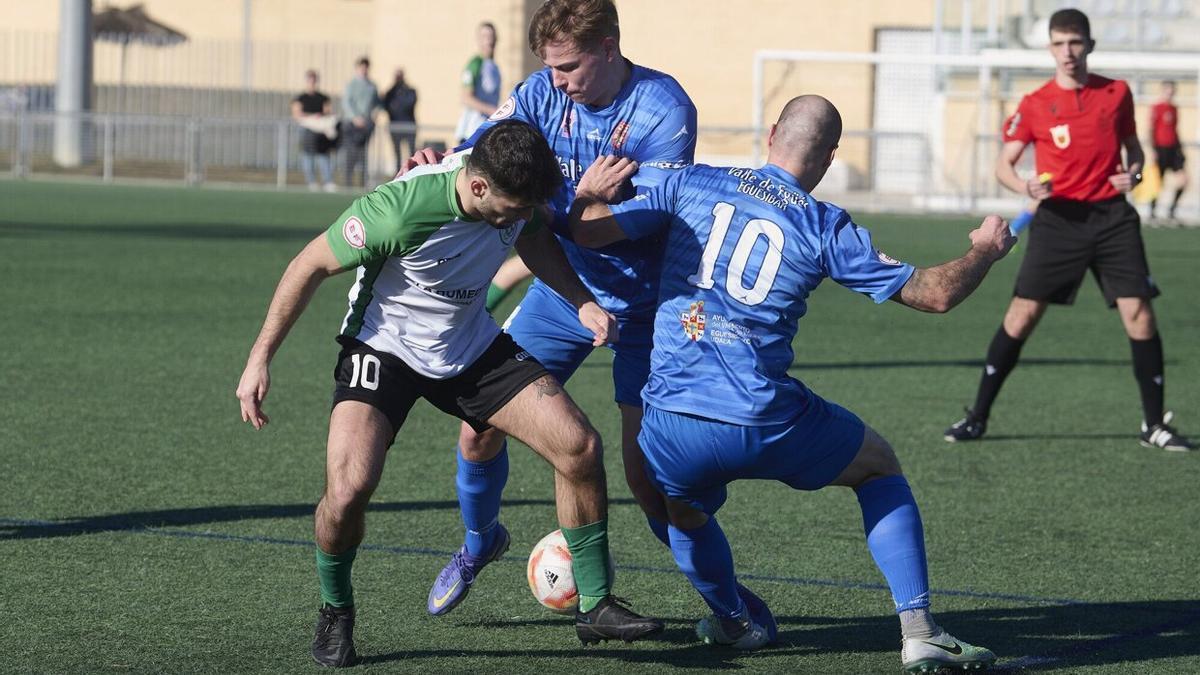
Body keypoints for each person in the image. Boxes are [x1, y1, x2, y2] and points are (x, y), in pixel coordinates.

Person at [567, 95, 1007, 670]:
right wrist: (984, 250)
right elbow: (936, 293)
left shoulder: (689, 184)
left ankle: (733, 623)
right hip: (763, 417)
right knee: (877, 465)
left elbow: (587, 232)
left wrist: (585, 195)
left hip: (672, 422)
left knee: (684, 511)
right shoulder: (824, 225)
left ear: (771, 133)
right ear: (828, 158)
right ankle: (920, 629)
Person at [234, 120, 663, 668]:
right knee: (347, 490)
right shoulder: (400, 208)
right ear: (477, 187)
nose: (516, 216)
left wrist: (580, 299)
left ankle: (597, 605)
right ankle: (335, 609)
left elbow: (533, 238)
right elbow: (309, 264)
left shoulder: (515, 195)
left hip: (471, 347)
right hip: (384, 349)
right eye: (509, 208)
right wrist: (258, 359)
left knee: (578, 445)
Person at [407, 0, 698, 619]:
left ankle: (728, 605)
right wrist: (443, 162)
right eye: (550, 68)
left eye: (568, 67)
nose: (557, 82)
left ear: (609, 47)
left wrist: (582, 211)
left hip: (651, 307)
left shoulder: (663, 110)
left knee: (650, 483)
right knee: (477, 428)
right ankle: (480, 542)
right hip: (566, 291)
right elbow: (483, 159)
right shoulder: (539, 92)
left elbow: (617, 228)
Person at [943, 9, 1194, 451]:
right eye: (1059, 44)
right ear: (1050, 49)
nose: (1068, 52)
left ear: (1089, 45)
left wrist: (1133, 175)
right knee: (1022, 316)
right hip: (1058, 220)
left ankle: (1154, 426)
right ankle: (977, 416)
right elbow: (1004, 164)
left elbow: (1133, 150)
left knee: (1140, 314)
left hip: (1113, 219)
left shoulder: (1116, 93)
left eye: (1075, 43)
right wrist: (1025, 185)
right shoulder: (1036, 104)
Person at [454, 22, 502, 144]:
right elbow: (466, 98)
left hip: (488, 130)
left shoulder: (495, 68)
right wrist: (492, 111)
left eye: (491, 36)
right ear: (479, 40)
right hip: (471, 131)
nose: (489, 41)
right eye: (485, 37)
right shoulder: (475, 64)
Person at [291, 69, 337, 192]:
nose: (312, 83)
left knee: (323, 155)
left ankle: (328, 181)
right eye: (310, 80)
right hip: (307, 130)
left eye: (314, 80)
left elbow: (328, 111)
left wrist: (321, 119)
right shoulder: (300, 98)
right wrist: (311, 117)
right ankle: (311, 182)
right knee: (308, 155)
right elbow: (297, 114)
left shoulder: (322, 97)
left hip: (320, 131)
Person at [1149, 80, 1187, 222]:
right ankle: (1152, 211)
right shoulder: (1157, 107)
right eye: (1167, 90)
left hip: (1174, 149)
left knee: (1184, 180)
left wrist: (1180, 149)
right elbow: (1151, 129)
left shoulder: (1175, 108)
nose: (1170, 92)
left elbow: (1175, 130)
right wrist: (1153, 150)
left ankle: (1172, 211)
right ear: (1163, 90)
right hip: (1160, 149)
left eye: (1172, 90)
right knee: (1158, 182)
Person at [341, 56, 381, 189]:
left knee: (363, 154)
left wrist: (375, 113)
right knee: (351, 153)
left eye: (366, 67)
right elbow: (347, 103)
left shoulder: (372, 86)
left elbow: (377, 103)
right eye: (361, 67)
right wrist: (355, 117)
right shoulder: (351, 85)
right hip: (352, 124)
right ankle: (348, 182)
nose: (364, 70)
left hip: (367, 125)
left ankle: (363, 182)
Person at [383, 68, 418, 175]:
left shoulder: (410, 91)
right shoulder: (390, 93)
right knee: (397, 153)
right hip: (395, 127)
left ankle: (414, 173)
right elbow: (386, 106)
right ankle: (398, 174)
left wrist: (396, 105)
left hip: (409, 126)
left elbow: (408, 104)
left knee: (412, 153)